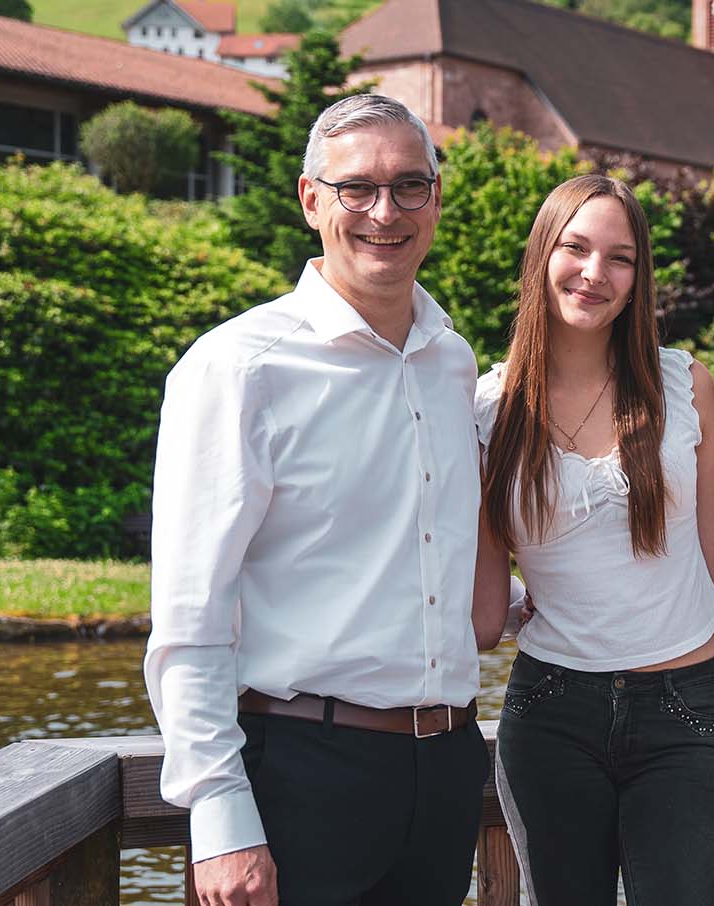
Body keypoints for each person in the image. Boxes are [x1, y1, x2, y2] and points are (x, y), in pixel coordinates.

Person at [145, 94, 488, 906]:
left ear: (435, 199)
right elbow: (190, 616)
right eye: (356, 189)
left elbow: (423, 558)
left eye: (410, 186)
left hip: (444, 771)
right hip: (303, 773)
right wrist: (221, 816)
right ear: (310, 200)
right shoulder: (239, 368)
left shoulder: (451, 362)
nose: (385, 211)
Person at [471, 173, 714, 906]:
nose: (594, 273)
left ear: (639, 278)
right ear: (542, 255)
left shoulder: (682, 384)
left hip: (683, 707)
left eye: (620, 257)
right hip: (548, 710)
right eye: (575, 247)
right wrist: (504, 606)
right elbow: (477, 584)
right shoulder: (489, 405)